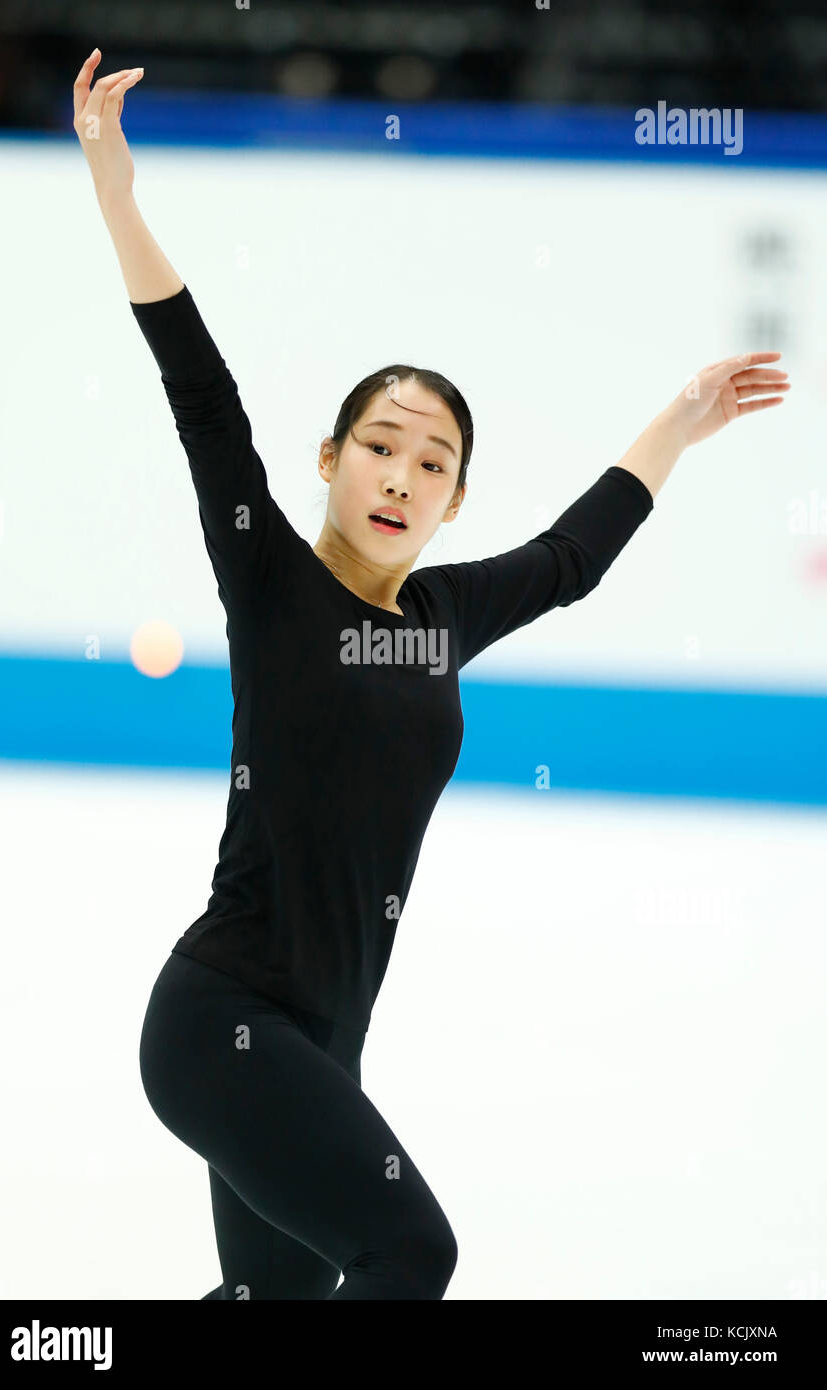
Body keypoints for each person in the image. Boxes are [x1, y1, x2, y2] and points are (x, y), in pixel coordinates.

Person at [73, 50, 790, 1300]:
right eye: (379, 447)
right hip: (217, 1022)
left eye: (432, 461)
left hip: (317, 1045)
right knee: (411, 1249)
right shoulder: (276, 586)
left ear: (455, 499)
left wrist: (678, 422)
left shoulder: (441, 616)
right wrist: (119, 196)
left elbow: (572, 556)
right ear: (331, 462)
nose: (401, 476)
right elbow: (202, 397)